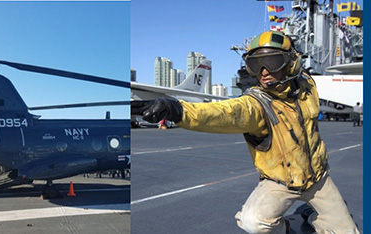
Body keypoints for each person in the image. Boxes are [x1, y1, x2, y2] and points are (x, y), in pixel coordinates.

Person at [135, 31, 359, 234]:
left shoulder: (308, 86)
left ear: (291, 64)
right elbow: (223, 113)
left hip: (319, 179)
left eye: (272, 62)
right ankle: (288, 230)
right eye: (256, 65)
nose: (264, 72)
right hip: (279, 182)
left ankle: (312, 215)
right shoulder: (256, 105)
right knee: (254, 222)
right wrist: (178, 110)